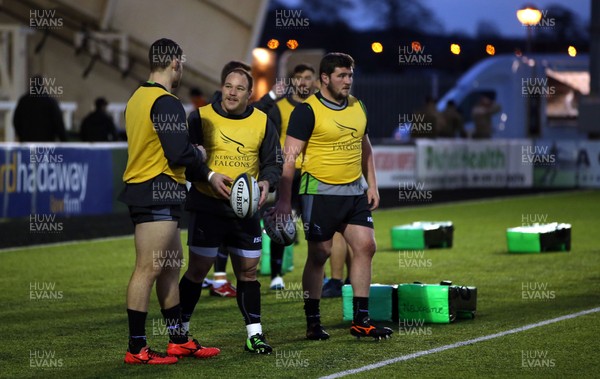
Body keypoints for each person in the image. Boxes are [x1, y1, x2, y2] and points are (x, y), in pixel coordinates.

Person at [272, 52, 393, 340]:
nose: (348, 80)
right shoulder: (307, 111)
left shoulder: (357, 106)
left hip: (354, 192)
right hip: (319, 192)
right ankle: (313, 322)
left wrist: (372, 185)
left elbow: (366, 147)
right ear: (324, 78)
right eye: (341, 75)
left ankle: (361, 320)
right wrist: (284, 201)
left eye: (350, 75)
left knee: (366, 246)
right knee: (320, 254)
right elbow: (289, 158)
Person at [118, 38, 220, 365]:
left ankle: (177, 339)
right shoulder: (165, 101)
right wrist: (200, 154)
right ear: (175, 63)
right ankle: (136, 348)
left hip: (154, 188)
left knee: (170, 266)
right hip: (155, 189)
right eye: (182, 63)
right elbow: (178, 152)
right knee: (149, 268)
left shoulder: (138, 97)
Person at [179, 67, 282, 354]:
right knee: (198, 270)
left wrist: (266, 182)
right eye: (227, 86)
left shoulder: (263, 122)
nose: (232, 92)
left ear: (250, 94)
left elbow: (274, 162)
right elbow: (189, 163)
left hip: (245, 209)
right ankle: (180, 334)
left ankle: (255, 335)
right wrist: (209, 175)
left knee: (248, 273)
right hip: (207, 205)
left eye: (239, 88)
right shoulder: (200, 117)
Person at [266, 63, 316, 290]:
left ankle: (320, 275)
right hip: (287, 174)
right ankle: (276, 274)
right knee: (281, 219)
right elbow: (270, 139)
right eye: (298, 78)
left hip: (313, 173)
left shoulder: (320, 106)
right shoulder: (278, 108)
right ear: (292, 81)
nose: (303, 82)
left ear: (315, 81)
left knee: (314, 226)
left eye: (308, 77)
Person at [13, 75, 67, 142]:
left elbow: (16, 121)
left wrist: (21, 136)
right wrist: (64, 140)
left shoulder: (23, 101)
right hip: (46, 143)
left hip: (27, 142)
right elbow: (59, 123)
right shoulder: (50, 101)